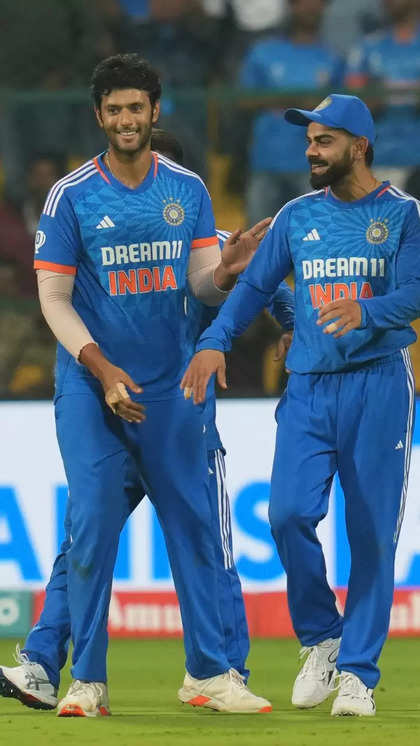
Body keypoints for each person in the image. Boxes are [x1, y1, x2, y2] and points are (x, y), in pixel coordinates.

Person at [4, 53, 273, 718]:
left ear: (155, 111)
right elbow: (53, 298)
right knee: (92, 525)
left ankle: (210, 674)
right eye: (114, 109)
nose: (126, 119)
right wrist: (101, 368)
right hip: (91, 388)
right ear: (99, 116)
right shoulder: (71, 195)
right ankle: (87, 683)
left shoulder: (188, 190)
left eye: (136, 107)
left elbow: (201, 284)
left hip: (172, 389)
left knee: (196, 530)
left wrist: (229, 272)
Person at [181, 93, 420, 717]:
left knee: (371, 535)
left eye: (324, 141)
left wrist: (367, 309)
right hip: (309, 387)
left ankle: (359, 675)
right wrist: (213, 341)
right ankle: (322, 636)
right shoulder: (295, 215)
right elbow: (253, 288)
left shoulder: (402, 214)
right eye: (309, 141)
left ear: (359, 147)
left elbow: (417, 290)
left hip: (378, 386)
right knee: (287, 515)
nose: (311, 151)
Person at [239, 0, 343, 225]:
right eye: (302, 2)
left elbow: (342, 110)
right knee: (258, 238)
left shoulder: (333, 57)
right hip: (266, 161)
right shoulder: (262, 52)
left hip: (315, 165)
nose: (309, 7)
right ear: (290, 7)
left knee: (314, 238)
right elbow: (244, 99)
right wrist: (297, 101)